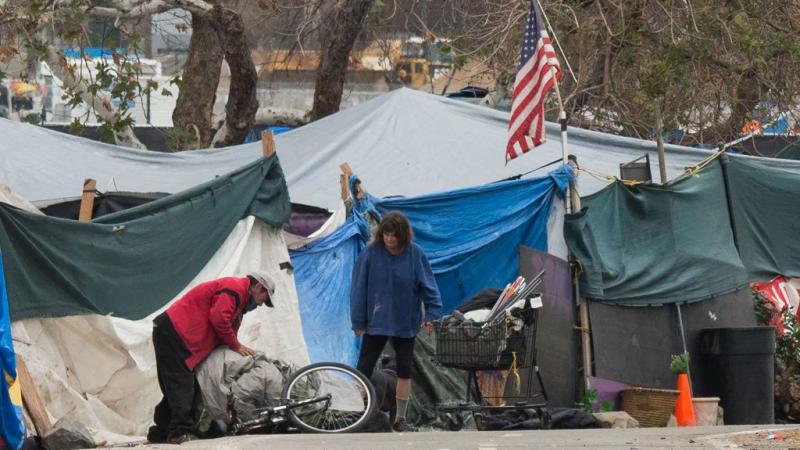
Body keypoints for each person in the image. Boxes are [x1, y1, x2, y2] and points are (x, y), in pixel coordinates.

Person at [148, 270, 276, 444]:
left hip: (183, 340)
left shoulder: (239, 306)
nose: (261, 304)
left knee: (181, 388)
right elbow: (218, 318)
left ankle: (160, 433)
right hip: (175, 333)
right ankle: (179, 432)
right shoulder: (235, 288)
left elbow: (227, 333)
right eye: (264, 298)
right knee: (182, 386)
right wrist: (236, 346)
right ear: (259, 287)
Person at [350, 211, 442, 432]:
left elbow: (429, 286)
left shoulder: (415, 254)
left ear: (403, 236)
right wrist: (358, 321)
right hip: (376, 319)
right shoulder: (371, 253)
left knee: (404, 370)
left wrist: (432, 314)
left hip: (405, 320)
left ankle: (400, 418)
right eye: (386, 235)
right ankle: (355, 412)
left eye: (395, 236)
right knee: (363, 368)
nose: (390, 240)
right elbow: (358, 288)